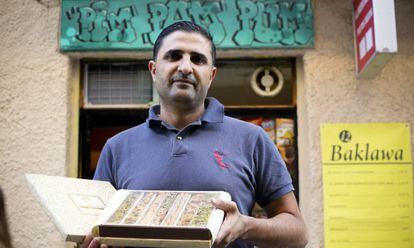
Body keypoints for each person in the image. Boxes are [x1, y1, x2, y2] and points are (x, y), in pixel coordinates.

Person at [83, 21, 308, 248]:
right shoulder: (117, 147)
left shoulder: (252, 139)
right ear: (153, 69)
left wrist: (245, 226)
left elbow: (298, 234)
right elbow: (90, 230)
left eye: (197, 59)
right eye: (174, 56)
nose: (186, 67)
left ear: (211, 75)